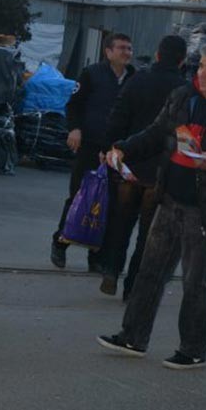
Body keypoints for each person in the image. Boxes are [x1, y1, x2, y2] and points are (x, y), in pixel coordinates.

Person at [97, 41, 206, 370]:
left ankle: (192, 349)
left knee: (194, 281)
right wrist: (124, 148)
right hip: (169, 196)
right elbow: (158, 132)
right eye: (201, 65)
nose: (202, 73)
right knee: (149, 271)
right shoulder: (182, 96)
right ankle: (133, 337)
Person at [98, 34, 188, 298]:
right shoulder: (183, 90)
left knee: (121, 222)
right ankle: (133, 286)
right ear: (182, 61)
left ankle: (111, 270)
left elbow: (117, 118)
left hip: (130, 165)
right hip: (161, 172)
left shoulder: (137, 80)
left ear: (158, 55)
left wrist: (110, 149)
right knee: (149, 236)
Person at [52, 32, 135, 270]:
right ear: (108, 52)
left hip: (117, 150)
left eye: (129, 48)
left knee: (109, 204)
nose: (126, 52)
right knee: (79, 196)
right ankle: (60, 242)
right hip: (89, 145)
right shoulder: (92, 74)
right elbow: (74, 105)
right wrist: (74, 129)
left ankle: (96, 257)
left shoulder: (134, 78)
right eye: (121, 48)